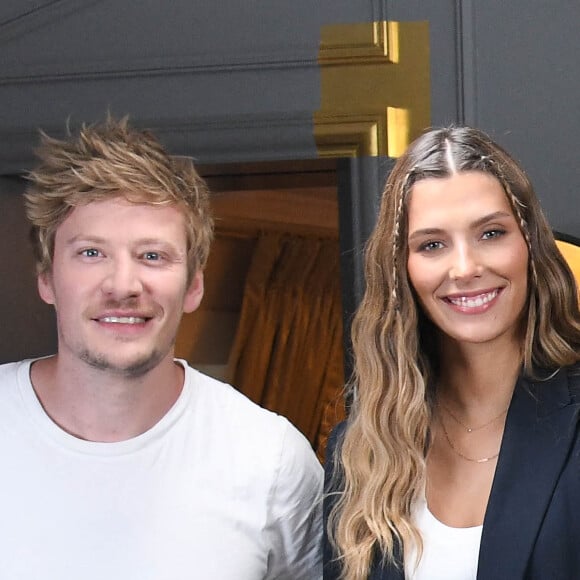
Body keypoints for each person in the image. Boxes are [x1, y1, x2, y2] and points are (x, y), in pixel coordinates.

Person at [0, 116, 323, 579]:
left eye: (153, 255)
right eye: (91, 253)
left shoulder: (271, 462)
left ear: (193, 286)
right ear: (47, 278)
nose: (124, 285)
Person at [323, 126, 580, 580]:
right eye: (432, 245)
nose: (465, 268)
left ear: (529, 245)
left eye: (491, 233)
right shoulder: (359, 451)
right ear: (402, 270)